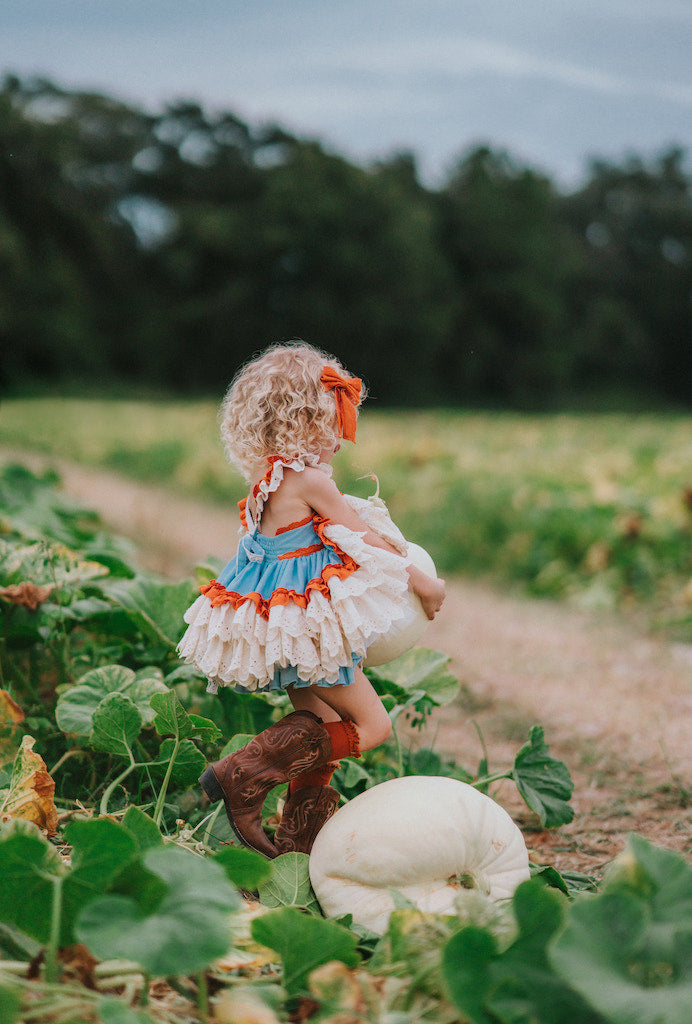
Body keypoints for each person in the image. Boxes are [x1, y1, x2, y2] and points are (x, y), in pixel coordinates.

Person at [178, 342, 446, 858]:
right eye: (332, 424)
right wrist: (424, 584)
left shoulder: (265, 484)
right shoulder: (311, 481)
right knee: (373, 726)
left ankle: (296, 846)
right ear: (303, 422)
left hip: (286, 631)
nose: (341, 440)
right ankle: (246, 774)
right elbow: (366, 540)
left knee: (320, 737)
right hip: (314, 637)